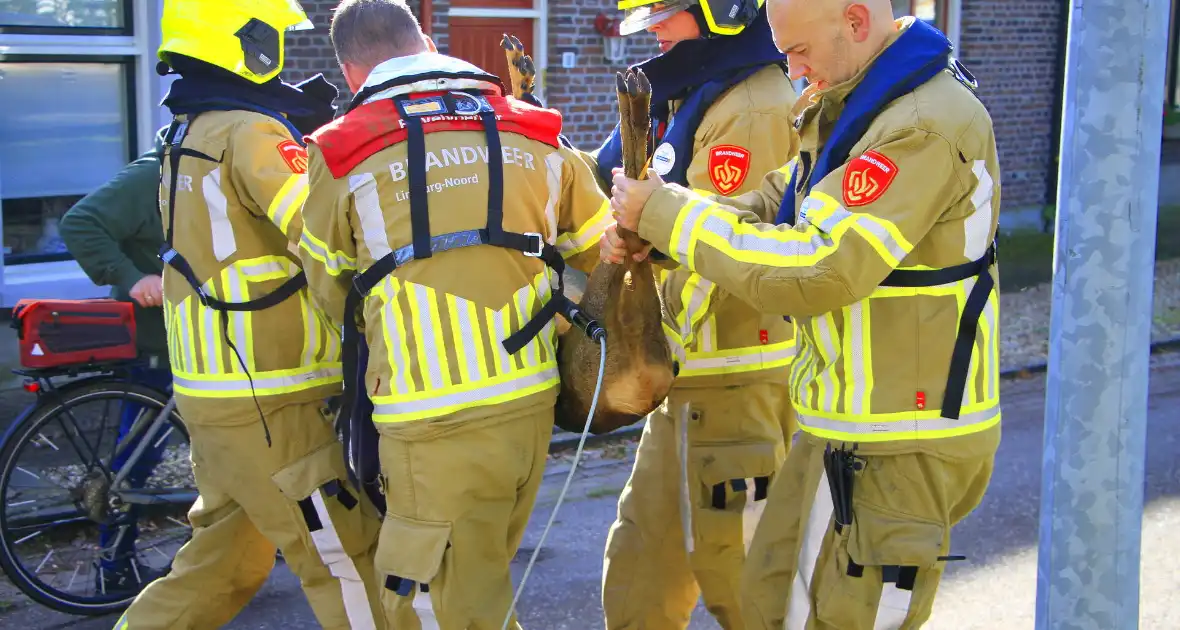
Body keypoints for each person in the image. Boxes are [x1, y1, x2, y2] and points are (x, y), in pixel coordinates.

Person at [605, 0, 1002, 627]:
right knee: (768, 605)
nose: (789, 68)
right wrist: (659, 234)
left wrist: (667, 216)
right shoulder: (858, 104)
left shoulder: (922, 123)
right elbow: (777, 199)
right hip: (842, 423)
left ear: (853, 19)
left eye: (796, 51)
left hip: (902, 436)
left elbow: (821, 267)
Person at [297, 0, 613, 626]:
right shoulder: (533, 129)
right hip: (529, 404)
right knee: (480, 587)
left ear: (352, 73)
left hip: (427, 416)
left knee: (436, 609)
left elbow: (329, 288)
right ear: (424, 41)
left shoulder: (341, 150)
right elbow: (605, 251)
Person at [112, 1, 386, 628]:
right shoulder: (251, 131)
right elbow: (325, 229)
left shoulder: (186, 130)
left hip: (216, 398)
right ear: (245, 40)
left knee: (223, 566)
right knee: (347, 558)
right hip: (272, 396)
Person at [585, 1, 800, 628]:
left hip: (734, 386)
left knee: (749, 594)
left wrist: (639, 338)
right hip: (684, 385)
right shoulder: (700, 91)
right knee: (637, 583)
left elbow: (723, 249)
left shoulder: (752, 106)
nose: (653, 26)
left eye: (666, 10)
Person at [59, 125, 174, 594]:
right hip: (154, 343)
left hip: (188, 337)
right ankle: (114, 566)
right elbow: (79, 222)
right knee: (137, 461)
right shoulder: (151, 176)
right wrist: (131, 278)